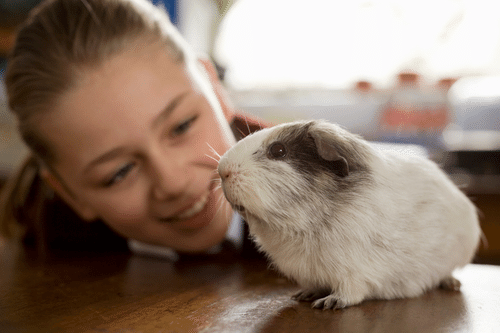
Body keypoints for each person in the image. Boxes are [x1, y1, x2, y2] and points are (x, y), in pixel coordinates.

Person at [0, 0, 266, 257]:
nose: (173, 183)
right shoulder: (46, 240)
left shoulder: (306, 181)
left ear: (216, 90)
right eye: (120, 172)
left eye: (181, 127)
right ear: (70, 195)